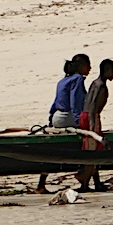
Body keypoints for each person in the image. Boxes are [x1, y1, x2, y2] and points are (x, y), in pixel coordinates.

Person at [36, 54, 90, 195]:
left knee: (54, 149)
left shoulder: (63, 80)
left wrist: (50, 120)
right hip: (68, 117)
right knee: (89, 143)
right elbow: (75, 103)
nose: (90, 68)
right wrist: (80, 123)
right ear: (82, 65)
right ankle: (85, 176)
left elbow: (55, 103)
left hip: (57, 117)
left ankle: (41, 184)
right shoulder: (78, 79)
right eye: (88, 65)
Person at [77, 58, 113, 193]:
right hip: (91, 117)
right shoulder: (100, 85)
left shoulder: (95, 83)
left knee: (95, 150)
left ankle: (96, 182)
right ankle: (84, 184)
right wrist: (93, 127)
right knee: (92, 152)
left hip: (86, 116)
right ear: (108, 71)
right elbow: (93, 105)